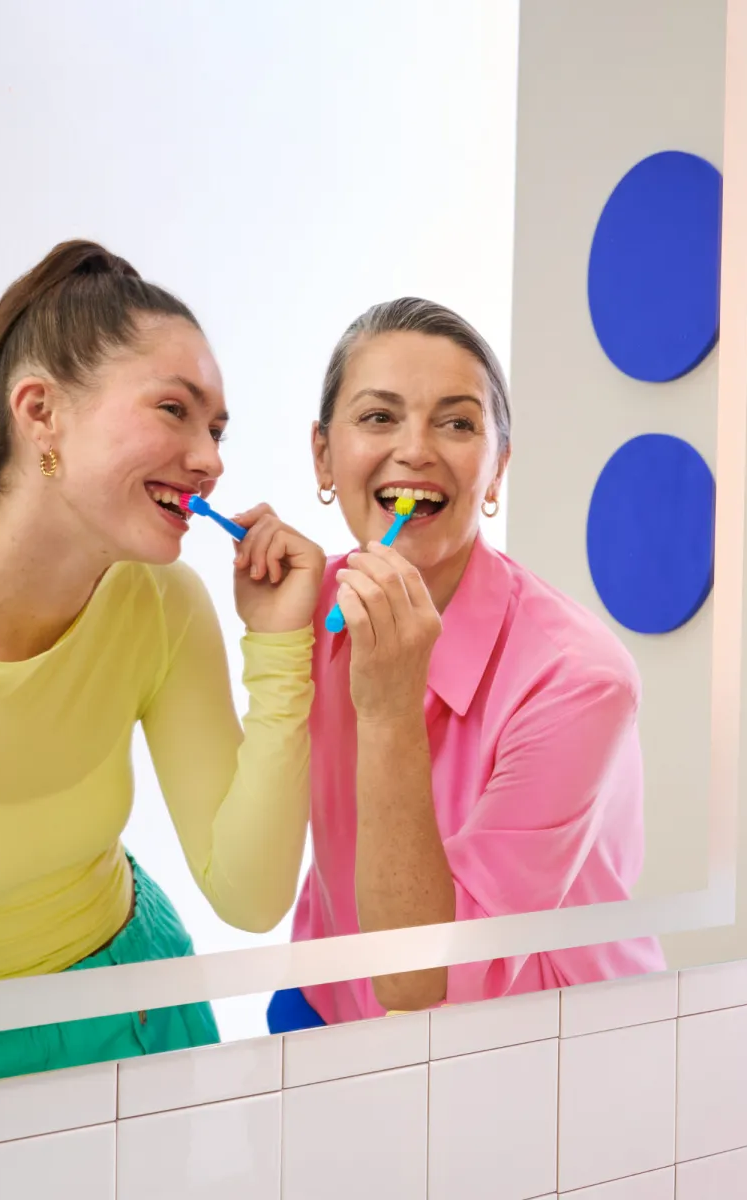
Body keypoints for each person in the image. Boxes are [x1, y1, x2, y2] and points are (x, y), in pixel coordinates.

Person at [0, 240, 325, 1096]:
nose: (210, 457)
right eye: (175, 410)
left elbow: (250, 896)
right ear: (41, 412)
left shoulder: (160, 603)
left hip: (151, 1008)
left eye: (216, 429)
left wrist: (282, 650)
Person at [270, 297, 665, 1031]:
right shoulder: (309, 606)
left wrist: (389, 709)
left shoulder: (577, 681)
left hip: (542, 1042)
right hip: (333, 1000)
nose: (416, 449)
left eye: (457, 423)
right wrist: (269, 642)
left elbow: (426, 978)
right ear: (323, 455)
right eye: (379, 417)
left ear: (495, 472)